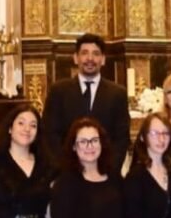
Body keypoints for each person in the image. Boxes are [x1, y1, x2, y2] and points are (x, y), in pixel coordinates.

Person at [43, 33, 130, 173]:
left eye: (96, 54)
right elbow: (50, 134)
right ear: (76, 58)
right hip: (67, 174)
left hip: (104, 175)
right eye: (84, 53)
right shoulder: (59, 91)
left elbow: (121, 138)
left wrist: (108, 171)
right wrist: (63, 169)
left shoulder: (117, 94)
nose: (90, 58)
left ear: (103, 59)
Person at [51, 117, 128, 218]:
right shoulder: (65, 183)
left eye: (94, 140)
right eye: (83, 141)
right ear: (74, 146)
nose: (90, 146)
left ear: (101, 143)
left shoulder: (115, 178)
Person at [125, 113, 171, 218]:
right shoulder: (136, 176)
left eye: (165, 133)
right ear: (143, 137)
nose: (161, 139)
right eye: (154, 133)